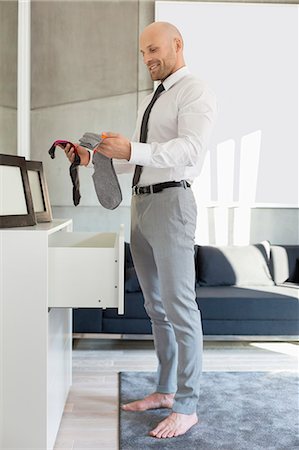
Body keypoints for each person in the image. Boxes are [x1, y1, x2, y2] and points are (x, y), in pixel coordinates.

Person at [64, 21, 217, 439]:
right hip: (141, 203)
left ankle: (187, 406)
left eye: (154, 50)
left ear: (177, 44)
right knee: (156, 308)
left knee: (181, 307)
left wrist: (131, 147)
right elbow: (140, 160)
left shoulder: (194, 91)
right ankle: (166, 390)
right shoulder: (152, 100)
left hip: (172, 203)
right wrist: (92, 157)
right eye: (143, 53)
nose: (148, 59)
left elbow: (190, 149)